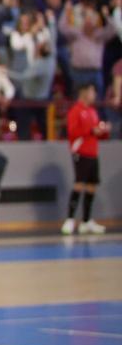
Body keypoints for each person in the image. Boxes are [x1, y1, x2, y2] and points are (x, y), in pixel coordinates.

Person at [63, 83, 109, 235]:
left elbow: (96, 132)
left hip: (93, 152)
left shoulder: (92, 111)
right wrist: (90, 130)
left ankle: (86, 221)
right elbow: (72, 131)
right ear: (83, 92)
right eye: (91, 92)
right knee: (79, 184)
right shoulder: (75, 111)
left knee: (91, 185)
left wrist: (102, 131)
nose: (94, 95)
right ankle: (69, 220)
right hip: (81, 152)